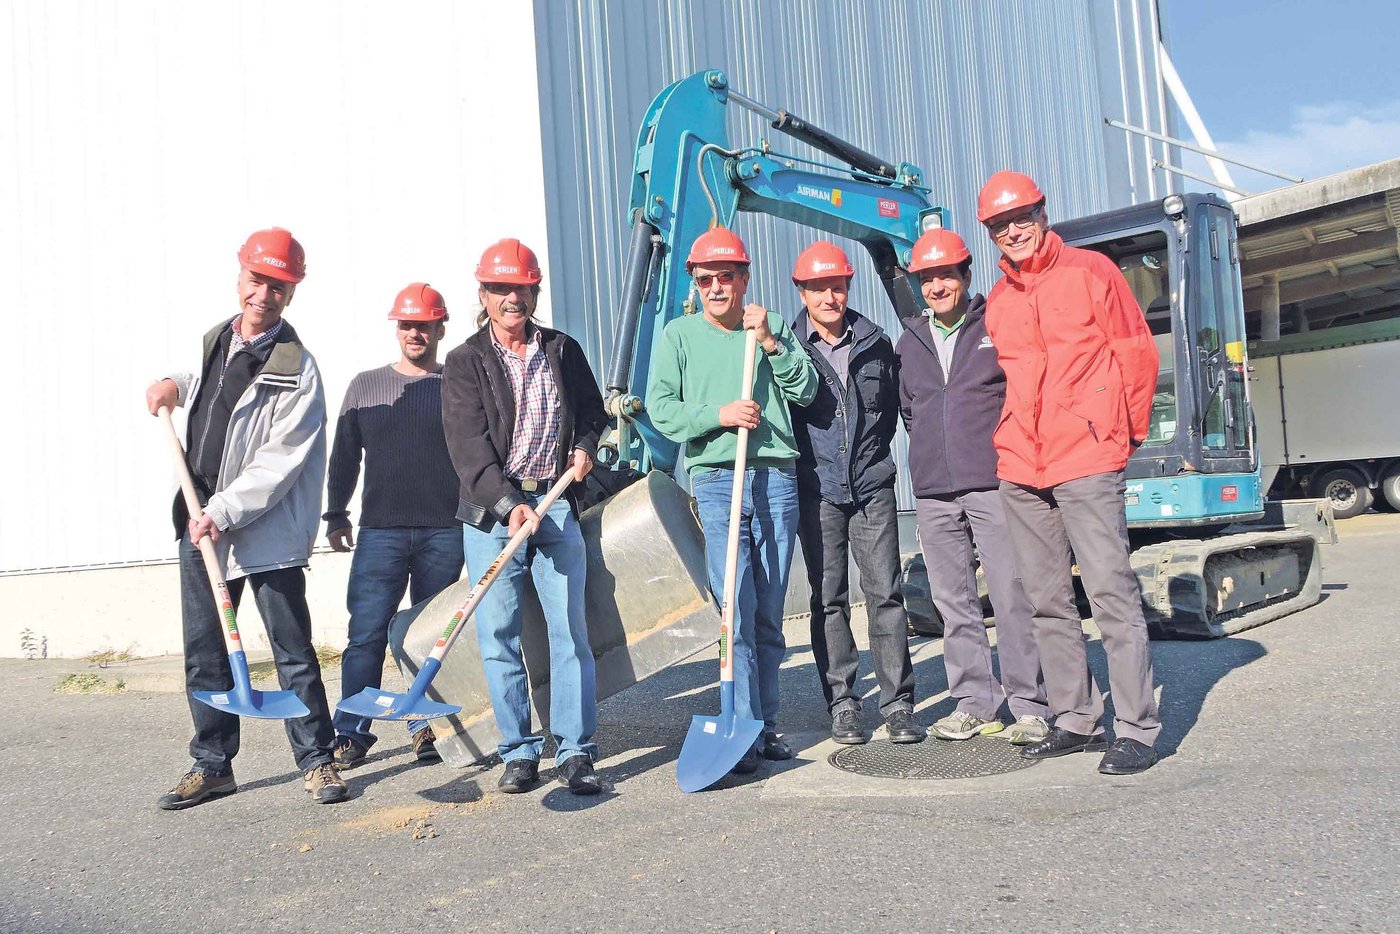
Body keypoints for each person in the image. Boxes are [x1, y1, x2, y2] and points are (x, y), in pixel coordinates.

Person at [144, 227, 345, 808]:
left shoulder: (298, 366)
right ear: (240, 278)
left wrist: (222, 511)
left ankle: (318, 760)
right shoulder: (219, 339)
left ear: (291, 293)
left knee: (291, 649)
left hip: (262, 528)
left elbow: (279, 459)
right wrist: (174, 384)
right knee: (206, 650)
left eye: (279, 286)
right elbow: (211, 391)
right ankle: (212, 765)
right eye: (258, 280)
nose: (265, 295)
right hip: (199, 521)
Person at [978, 171, 1162, 775]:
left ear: (1042, 212)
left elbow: (1136, 353)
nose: (1014, 231)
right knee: (1046, 600)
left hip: (1086, 457)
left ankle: (1136, 728)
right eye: (1000, 226)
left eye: (1021, 218)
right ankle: (1077, 718)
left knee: (1110, 592)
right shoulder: (999, 302)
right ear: (990, 235)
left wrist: (1120, 436)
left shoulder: (1092, 271)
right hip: (1022, 465)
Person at [648, 227, 819, 774]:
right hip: (718, 479)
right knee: (735, 610)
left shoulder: (765, 333)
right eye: (706, 280)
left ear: (745, 279)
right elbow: (662, 410)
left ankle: (764, 725)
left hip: (774, 476)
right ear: (694, 284)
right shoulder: (677, 335)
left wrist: (772, 343)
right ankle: (738, 725)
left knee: (768, 613)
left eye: (727, 277)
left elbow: (807, 391)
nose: (717, 287)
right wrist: (718, 416)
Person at [440, 238, 608, 795]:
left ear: (535, 290)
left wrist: (584, 446)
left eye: (521, 288)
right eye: (500, 289)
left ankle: (576, 750)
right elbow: (468, 448)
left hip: (556, 504)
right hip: (492, 515)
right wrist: (509, 505)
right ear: (483, 294)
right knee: (499, 636)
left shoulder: (562, 349)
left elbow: (592, 413)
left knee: (569, 634)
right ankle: (518, 751)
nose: (512, 298)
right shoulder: (465, 362)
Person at [896, 228, 1050, 745]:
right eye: (927, 278)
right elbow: (910, 411)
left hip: (991, 481)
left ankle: (1029, 704)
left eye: (945, 274)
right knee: (952, 600)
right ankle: (974, 703)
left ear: (965, 275)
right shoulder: (910, 340)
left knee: (1010, 592)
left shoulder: (995, 324)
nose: (937, 285)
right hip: (934, 489)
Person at [323, 283, 464, 769]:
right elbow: (343, 457)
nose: (415, 332)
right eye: (407, 324)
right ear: (396, 328)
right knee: (366, 634)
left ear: (441, 327)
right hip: (380, 531)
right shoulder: (365, 385)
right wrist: (336, 513)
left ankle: (424, 726)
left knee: (428, 634)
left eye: (424, 324)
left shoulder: (456, 384)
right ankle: (351, 733)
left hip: (444, 530)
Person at [787, 241, 919, 746]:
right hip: (816, 489)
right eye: (818, 287)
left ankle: (899, 703)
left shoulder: (875, 342)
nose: (829, 295)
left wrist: (873, 462)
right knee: (828, 600)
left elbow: (889, 413)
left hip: (871, 486)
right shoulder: (785, 347)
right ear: (802, 291)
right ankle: (843, 702)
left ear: (847, 287)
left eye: (837, 285)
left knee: (885, 593)